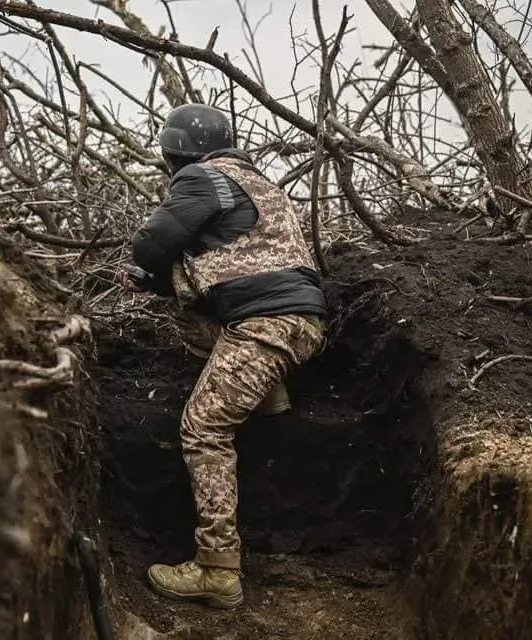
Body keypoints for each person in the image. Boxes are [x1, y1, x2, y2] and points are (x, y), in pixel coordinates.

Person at [119, 103, 328, 609]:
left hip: (265, 327)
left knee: (204, 429)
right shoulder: (259, 183)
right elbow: (232, 269)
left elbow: (150, 244)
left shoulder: (201, 177)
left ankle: (217, 569)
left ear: (173, 152)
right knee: (191, 305)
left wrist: (149, 267)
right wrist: (166, 283)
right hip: (301, 321)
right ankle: (268, 390)